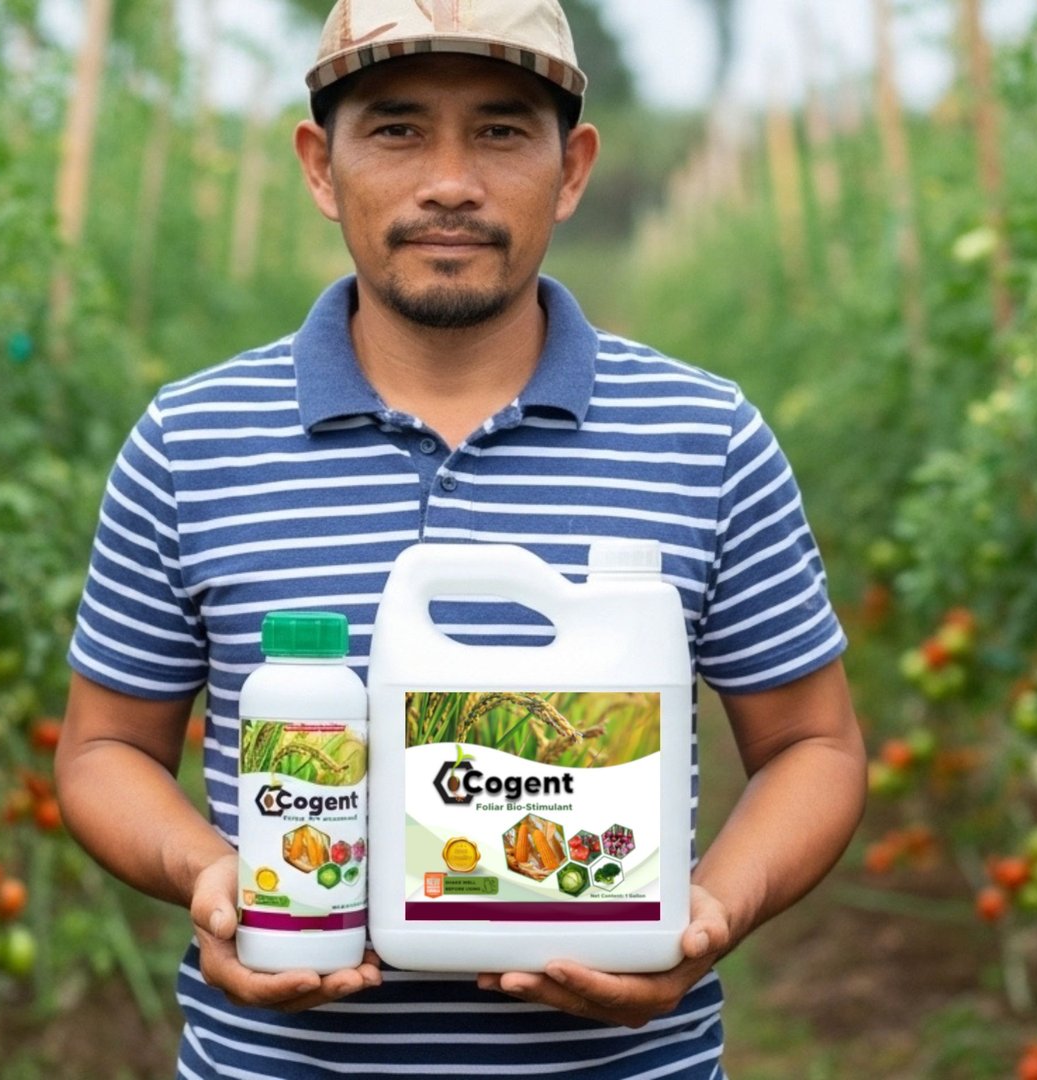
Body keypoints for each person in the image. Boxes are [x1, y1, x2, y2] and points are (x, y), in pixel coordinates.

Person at [54, 1, 867, 1075]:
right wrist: (209, 872)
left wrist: (714, 906)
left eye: (500, 130)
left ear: (571, 169)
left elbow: (814, 745)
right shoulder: (192, 439)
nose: (449, 182)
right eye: (396, 129)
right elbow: (104, 748)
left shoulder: (702, 436)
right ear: (321, 166)